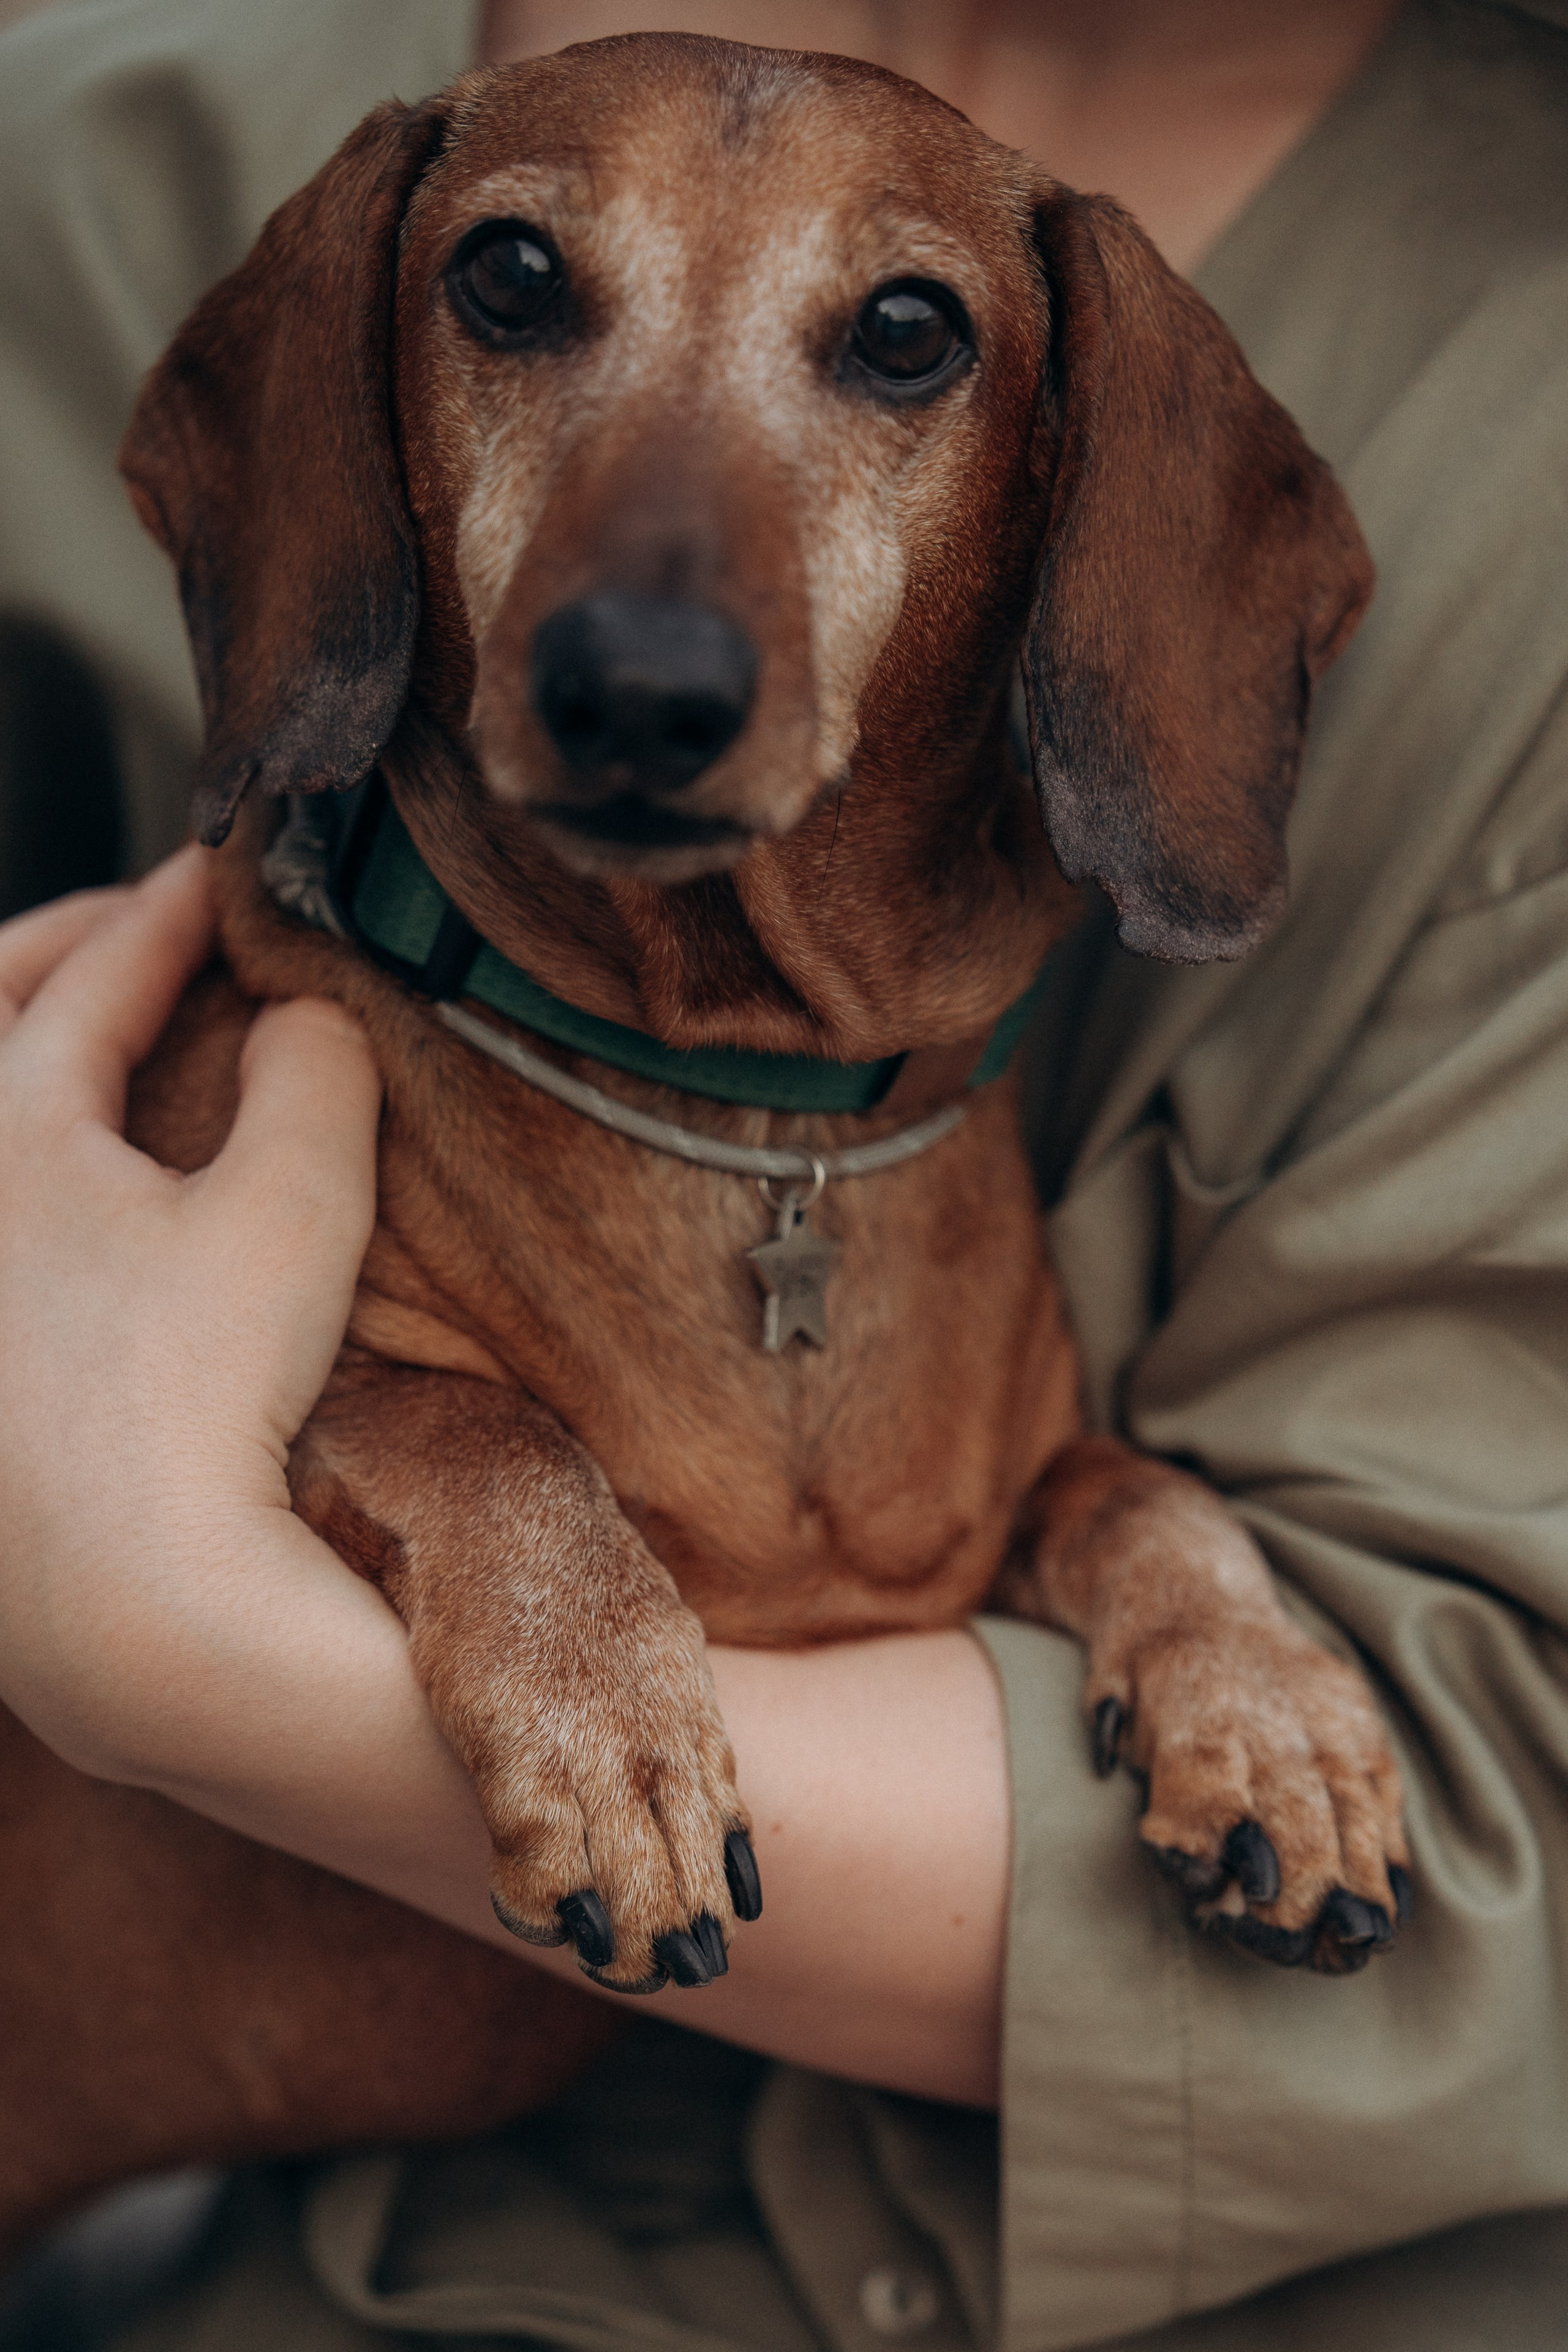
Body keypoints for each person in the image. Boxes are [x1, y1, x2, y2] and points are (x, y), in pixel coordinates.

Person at [2, 1, 1567, 2346]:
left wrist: (1163, 1569)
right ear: (373, 411)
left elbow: (1053, 1515)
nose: (652, 629)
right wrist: (481, 1494)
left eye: (898, 346)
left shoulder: (945, 1133)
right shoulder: (120, 122)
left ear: (1056, 496)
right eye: (523, 299)